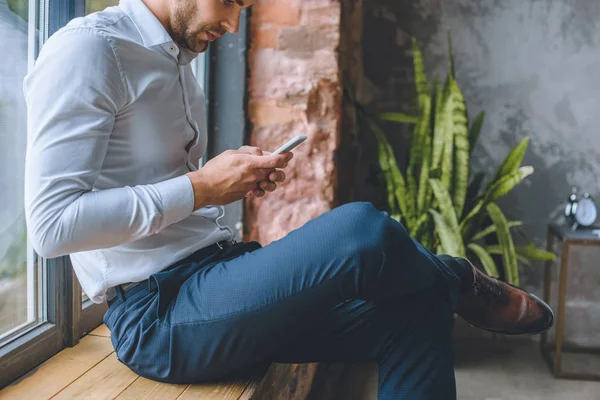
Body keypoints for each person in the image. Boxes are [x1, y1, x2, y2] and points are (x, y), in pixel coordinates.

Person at [23, 0, 554, 398]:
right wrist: (203, 186)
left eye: (244, 7)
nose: (233, 23)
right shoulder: (89, 49)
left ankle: (444, 285)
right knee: (361, 231)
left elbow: (170, 191)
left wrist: (229, 179)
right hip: (159, 314)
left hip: (218, 274)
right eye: (229, 0)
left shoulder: (177, 58)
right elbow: (50, 226)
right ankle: (457, 277)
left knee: (416, 308)